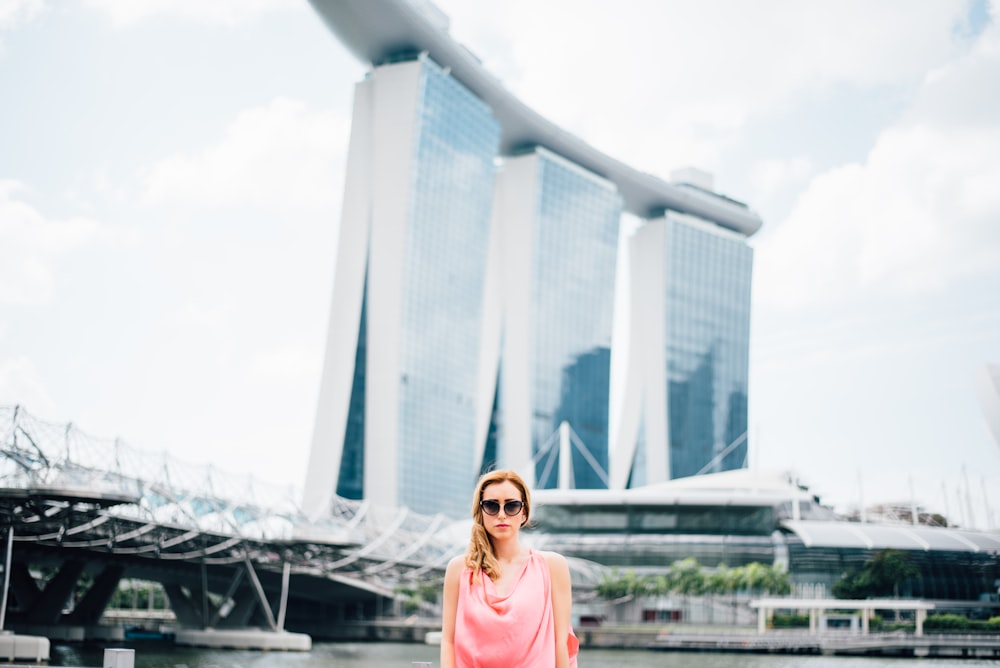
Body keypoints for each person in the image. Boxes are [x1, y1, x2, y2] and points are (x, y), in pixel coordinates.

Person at [440, 469, 579, 668]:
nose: (502, 514)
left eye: (512, 506)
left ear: (524, 512)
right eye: (492, 505)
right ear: (481, 511)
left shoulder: (552, 566)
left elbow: (560, 642)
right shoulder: (459, 569)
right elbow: (448, 641)